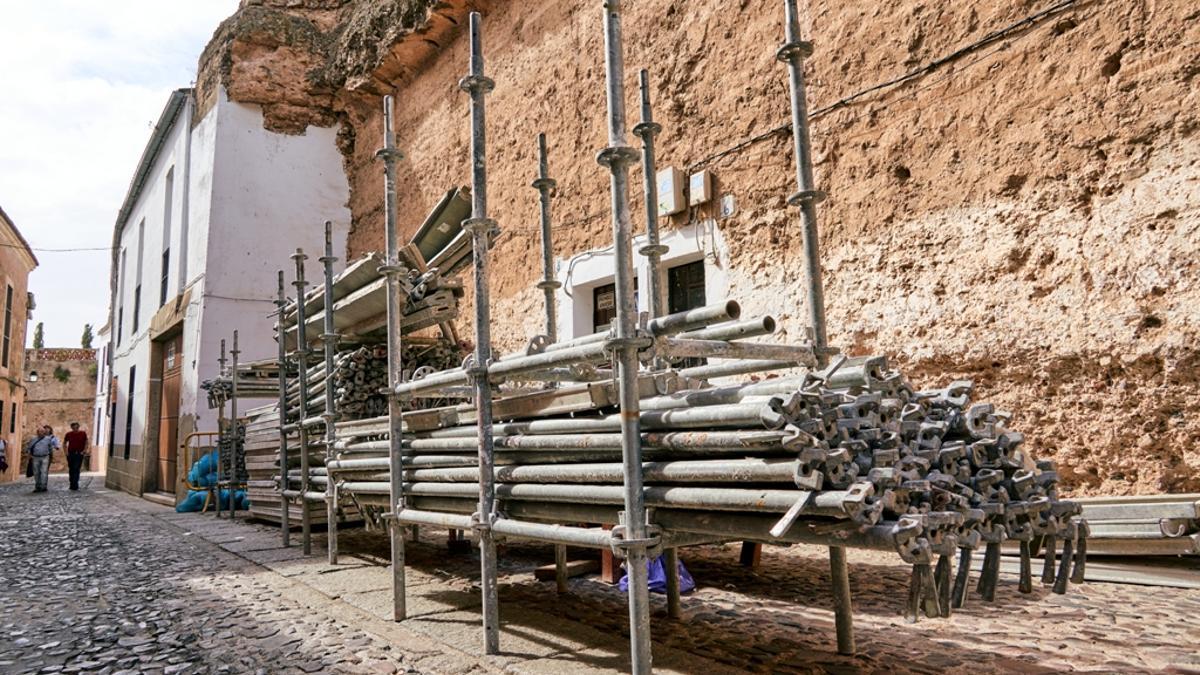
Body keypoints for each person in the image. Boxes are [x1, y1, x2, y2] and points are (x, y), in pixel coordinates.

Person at [26, 426, 59, 492]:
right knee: (36, 472)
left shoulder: (48, 439)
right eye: (40, 432)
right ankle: (37, 486)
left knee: (44, 472)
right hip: (35, 457)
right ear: (37, 432)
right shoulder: (33, 439)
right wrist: (30, 456)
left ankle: (43, 486)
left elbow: (50, 448)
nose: (41, 433)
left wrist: (50, 456)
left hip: (45, 457)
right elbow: (29, 448)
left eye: (43, 432)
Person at [64, 422, 89, 491]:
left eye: (76, 427)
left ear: (78, 427)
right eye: (74, 428)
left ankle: (75, 484)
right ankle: (72, 483)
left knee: (76, 468)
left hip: (79, 454)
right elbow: (64, 443)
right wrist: (66, 452)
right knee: (71, 469)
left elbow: (86, 442)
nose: (75, 429)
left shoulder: (83, 433)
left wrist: (84, 450)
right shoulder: (68, 434)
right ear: (71, 428)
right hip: (71, 454)